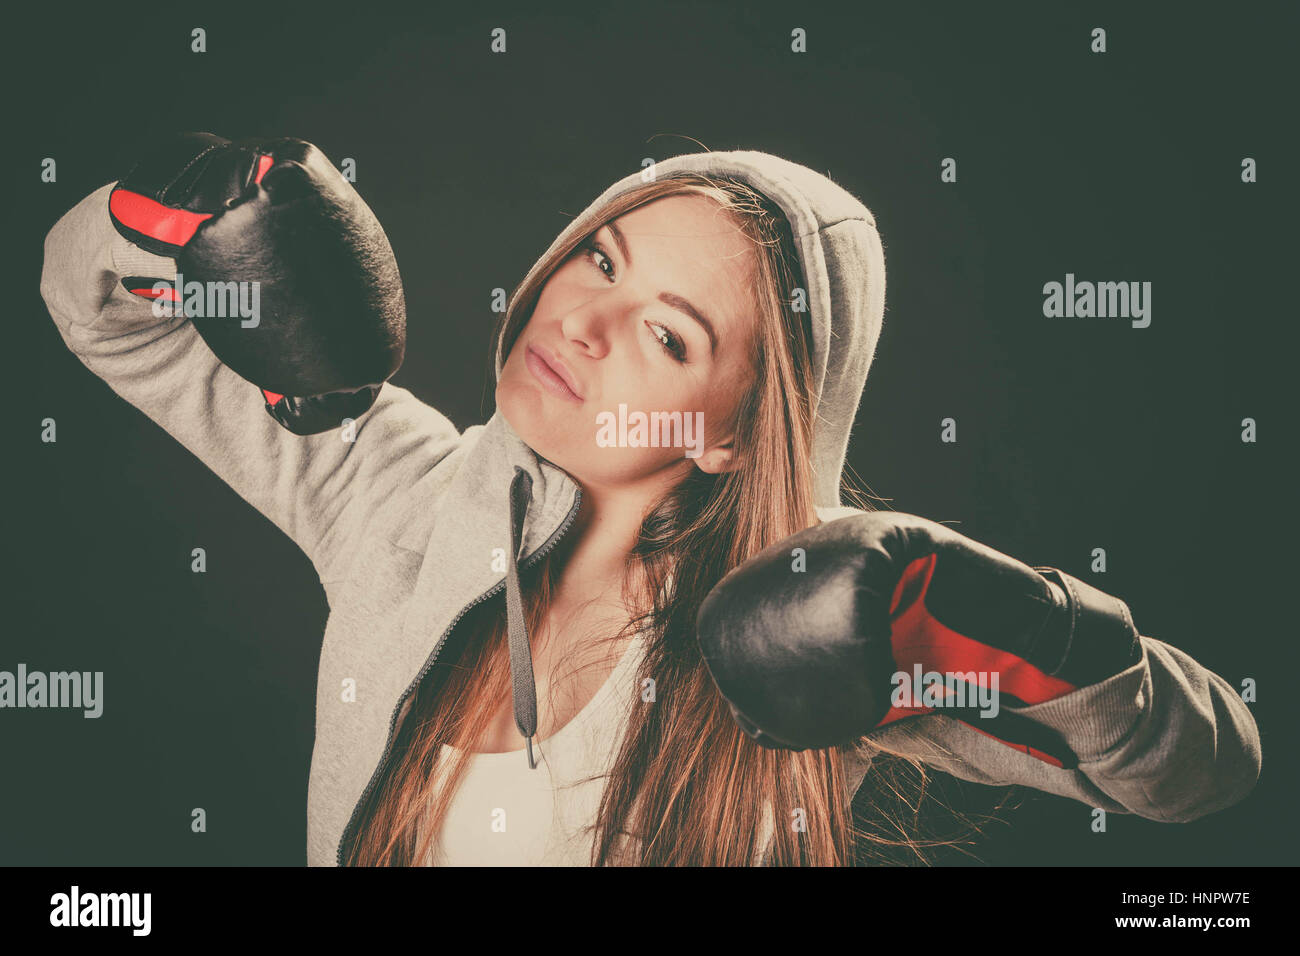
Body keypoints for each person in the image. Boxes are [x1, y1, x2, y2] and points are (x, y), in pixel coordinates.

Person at [40, 140, 1262, 867]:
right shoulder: (396, 488)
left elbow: (1203, 766)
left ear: (733, 435)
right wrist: (194, 215)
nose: (579, 319)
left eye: (665, 336)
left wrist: (1007, 630)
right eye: (600, 258)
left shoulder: (805, 637)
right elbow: (90, 301)